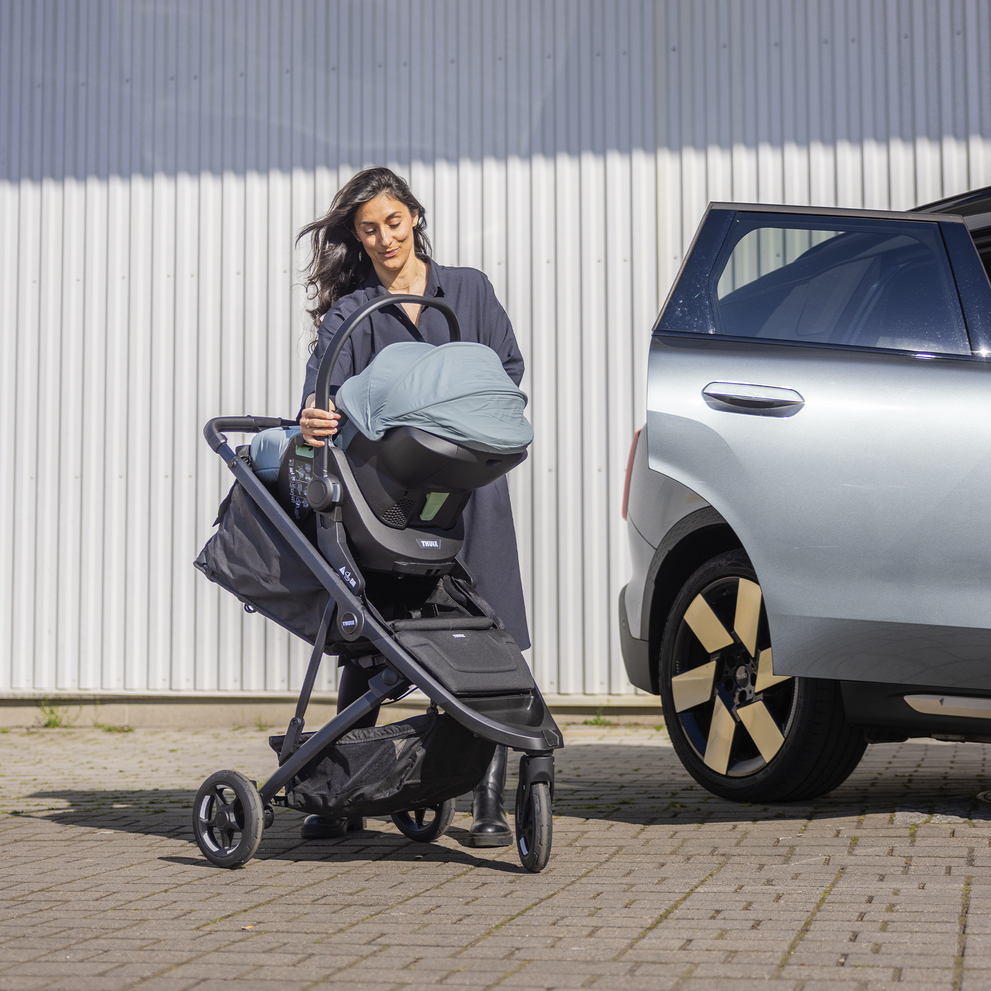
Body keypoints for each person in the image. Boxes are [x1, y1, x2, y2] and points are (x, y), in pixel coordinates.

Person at [295, 167, 529, 847]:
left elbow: (506, 369)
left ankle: (488, 800)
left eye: (393, 222)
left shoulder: (470, 291)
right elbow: (322, 400)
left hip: (471, 491)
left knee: (485, 636)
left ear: (415, 217)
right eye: (368, 229)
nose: (383, 238)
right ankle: (340, 795)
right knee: (369, 638)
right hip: (391, 501)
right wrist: (315, 421)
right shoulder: (352, 312)